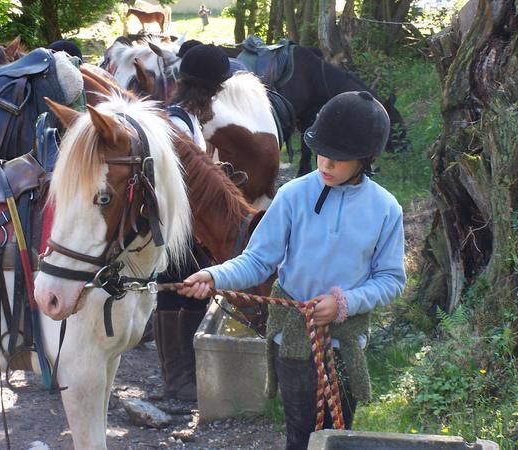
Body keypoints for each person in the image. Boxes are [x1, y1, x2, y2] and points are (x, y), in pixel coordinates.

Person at [178, 90, 406, 448]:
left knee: (339, 433)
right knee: (301, 431)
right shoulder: (293, 196)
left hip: (346, 341)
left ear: (365, 158)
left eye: (338, 159)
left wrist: (345, 303)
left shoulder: (385, 209)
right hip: (294, 338)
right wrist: (214, 276)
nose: (326, 165)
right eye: (321, 154)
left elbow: (391, 280)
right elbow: (258, 259)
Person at [152, 44, 232, 402]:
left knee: (182, 294)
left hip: (182, 226)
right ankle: (178, 380)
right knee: (181, 295)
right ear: (210, 90)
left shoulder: (184, 119)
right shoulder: (179, 124)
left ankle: (182, 377)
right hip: (179, 228)